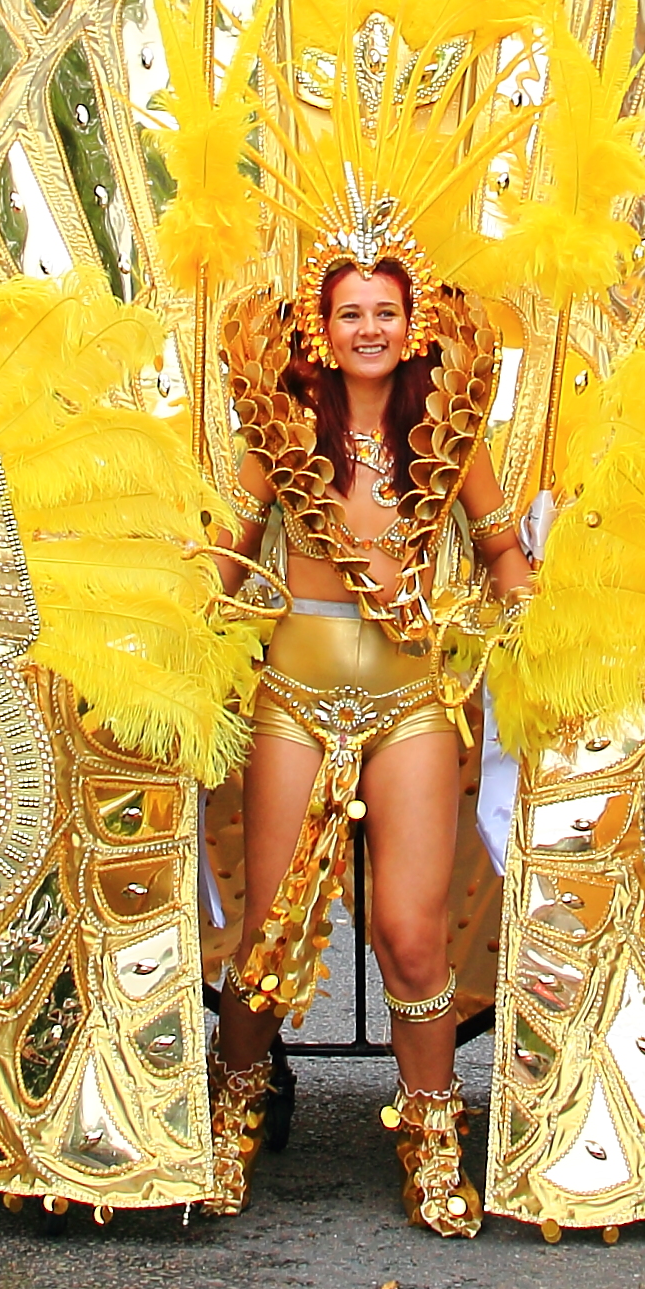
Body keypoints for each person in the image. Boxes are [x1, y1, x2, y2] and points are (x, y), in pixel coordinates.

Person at [208, 253, 528, 1231]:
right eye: (351, 312)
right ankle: (234, 1111)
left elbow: (504, 551)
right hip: (292, 694)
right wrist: (168, 638)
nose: (369, 328)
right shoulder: (282, 428)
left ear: (413, 320)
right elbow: (227, 553)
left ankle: (432, 1139)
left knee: (411, 934)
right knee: (271, 931)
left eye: (385, 310)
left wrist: (542, 623)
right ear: (322, 325)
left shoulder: (453, 431)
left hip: (412, 697)